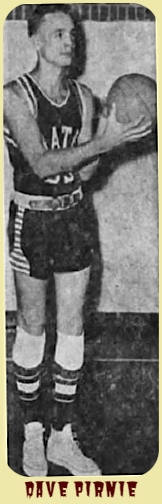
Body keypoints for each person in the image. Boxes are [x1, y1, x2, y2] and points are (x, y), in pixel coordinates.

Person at [4, 4, 152, 477]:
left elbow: (83, 172)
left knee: (71, 331)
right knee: (32, 329)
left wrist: (116, 139)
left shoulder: (86, 98)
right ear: (36, 41)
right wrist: (104, 144)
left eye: (72, 34)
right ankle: (32, 433)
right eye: (59, 33)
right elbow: (43, 163)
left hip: (73, 218)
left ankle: (63, 438)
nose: (69, 41)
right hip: (33, 220)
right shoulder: (14, 95)